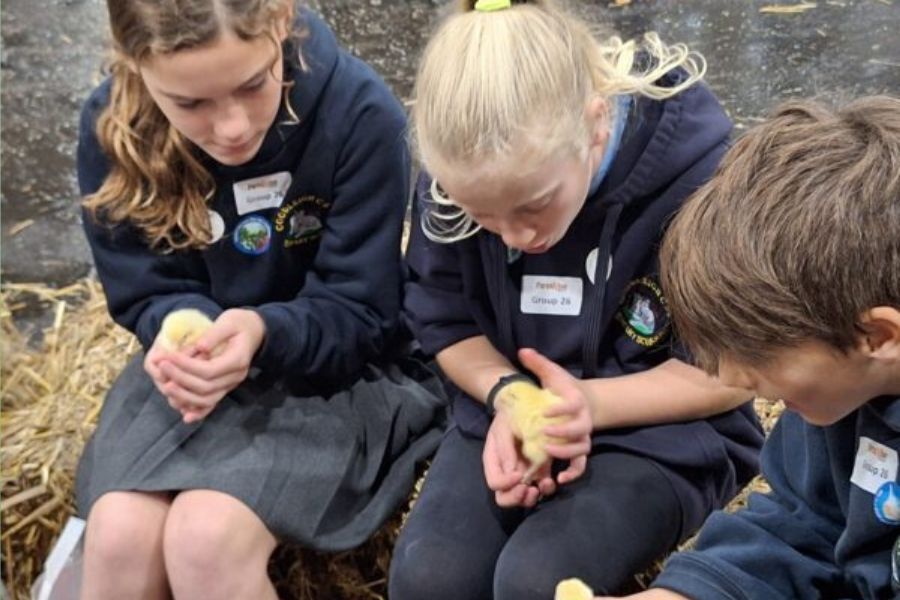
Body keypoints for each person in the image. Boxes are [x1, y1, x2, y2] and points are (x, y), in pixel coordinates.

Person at [388, 1, 765, 598]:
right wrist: (510, 397)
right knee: (429, 578)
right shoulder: (454, 179)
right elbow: (444, 321)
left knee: (538, 581)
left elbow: (737, 373)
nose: (514, 237)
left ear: (594, 124)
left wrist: (585, 404)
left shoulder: (702, 182)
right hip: (508, 410)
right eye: (481, 216)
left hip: (661, 430)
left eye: (533, 205)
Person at [74, 1, 447, 598]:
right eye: (189, 104)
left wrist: (261, 333)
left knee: (205, 538)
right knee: (118, 534)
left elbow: (362, 310)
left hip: (335, 366)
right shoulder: (112, 129)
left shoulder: (358, 113)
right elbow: (146, 290)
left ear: (279, 21)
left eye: (252, 85)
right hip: (209, 372)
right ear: (136, 67)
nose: (232, 127)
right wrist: (179, 328)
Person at [601, 96, 900, 599]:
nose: (734, 379)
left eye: (761, 353)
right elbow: (803, 526)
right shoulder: (841, 396)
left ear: (879, 336)